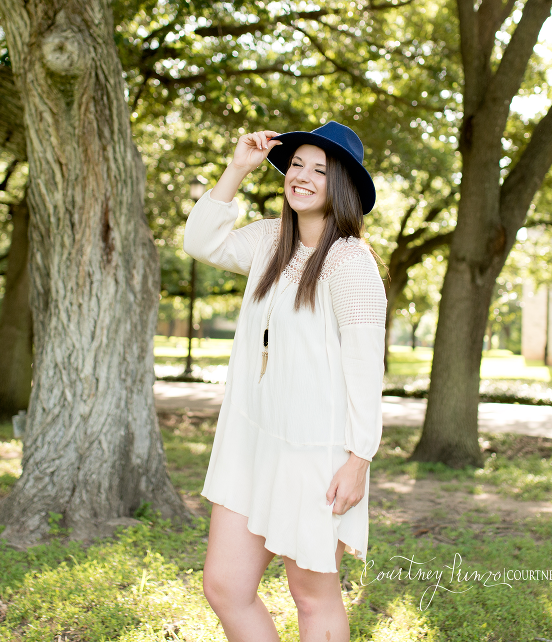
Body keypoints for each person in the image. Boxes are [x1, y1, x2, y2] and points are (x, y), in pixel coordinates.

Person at [182, 121, 387, 642]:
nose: (302, 176)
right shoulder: (270, 241)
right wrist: (236, 169)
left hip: (316, 453)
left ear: (340, 186)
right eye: (297, 164)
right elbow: (202, 241)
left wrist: (359, 459)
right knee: (225, 586)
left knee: (312, 597)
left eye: (319, 170)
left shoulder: (351, 263)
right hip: (251, 441)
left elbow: (365, 373)